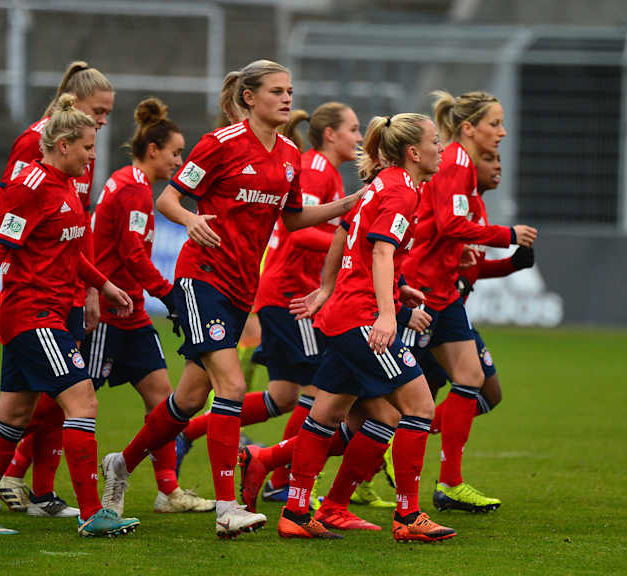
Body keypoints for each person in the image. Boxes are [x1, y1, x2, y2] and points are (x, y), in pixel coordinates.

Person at [99, 59, 358, 539]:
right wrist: (190, 219)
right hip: (202, 278)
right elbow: (168, 199)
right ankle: (227, 507)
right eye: (276, 90)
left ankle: (121, 463)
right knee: (232, 387)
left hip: (241, 289)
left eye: (290, 90)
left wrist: (346, 205)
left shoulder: (289, 154)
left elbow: (293, 219)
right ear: (249, 97)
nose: (287, 98)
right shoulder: (220, 144)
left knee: (188, 399)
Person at [0, 95, 139, 537]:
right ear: (62, 145)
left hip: (47, 311)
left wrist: (104, 285)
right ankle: (93, 514)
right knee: (83, 400)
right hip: (32, 313)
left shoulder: (66, 186)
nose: (92, 156)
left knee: (14, 416)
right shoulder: (31, 187)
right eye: (87, 147)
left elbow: (68, 252)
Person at [276, 112, 455, 543]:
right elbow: (380, 252)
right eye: (435, 141)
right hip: (360, 318)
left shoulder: (385, 183)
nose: (441, 148)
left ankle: (296, 511)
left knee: (326, 414)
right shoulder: (401, 191)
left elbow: (346, 236)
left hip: (343, 315)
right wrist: (388, 315)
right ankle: (408, 516)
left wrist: (336, 288)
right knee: (419, 407)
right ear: (414, 152)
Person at [401, 90, 536, 513]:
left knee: (472, 379)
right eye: (494, 124)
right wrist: (507, 235)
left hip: (444, 294)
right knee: (364, 409)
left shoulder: (461, 169)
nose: (502, 132)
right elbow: (449, 224)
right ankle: (278, 463)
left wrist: (505, 262)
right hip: (419, 292)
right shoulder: (456, 162)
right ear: (468, 128)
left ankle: (450, 483)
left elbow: (455, 238)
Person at [86, 97, 214, 514]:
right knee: (69, 401)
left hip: (132, 311)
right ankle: (3, 464)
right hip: (110, 311)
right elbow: (132, 256)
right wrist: (170, 294)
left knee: (162, 400)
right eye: (176, 152)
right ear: (153, 149)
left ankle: (167, 491)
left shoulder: (131, 183)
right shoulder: (131, 188)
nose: (179, 161)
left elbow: (131, 255)